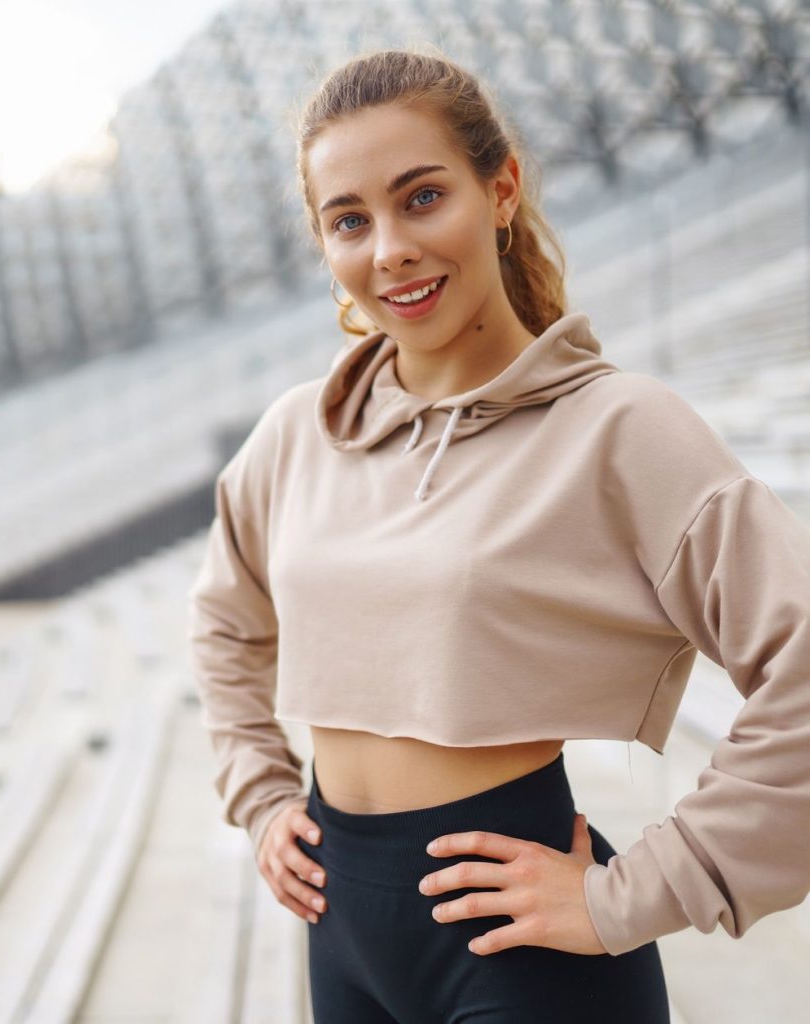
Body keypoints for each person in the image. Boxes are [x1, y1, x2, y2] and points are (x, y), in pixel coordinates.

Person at [186, 46, 810, 1023]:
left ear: (501, 189)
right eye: (348, 219)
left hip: (527, 951)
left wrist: (639, 889)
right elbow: (223, 626)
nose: (387, 247)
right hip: (340, 930)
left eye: (421, 198)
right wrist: (263, 796)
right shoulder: (292, 438)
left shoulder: (618, 430)